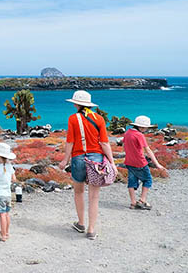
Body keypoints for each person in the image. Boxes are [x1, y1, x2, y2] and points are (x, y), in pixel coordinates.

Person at [58, 90, 117, 240]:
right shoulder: (99, 119)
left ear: (76, 104)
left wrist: (65, 160)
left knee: (78, 192)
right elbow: (104, 142)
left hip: (78, 158)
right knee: (94, 197)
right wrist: (112, 162)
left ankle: (81, 223)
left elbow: (70, 141)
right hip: (96, 159)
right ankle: (91, 229)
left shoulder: (73, 119)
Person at [123, 115, 167, 210]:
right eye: (146, 128)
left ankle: (133, 203)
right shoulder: (139, 135)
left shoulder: (127, 133)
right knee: (147, 180)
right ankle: (142, 200)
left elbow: (125, 146)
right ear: (141, 127)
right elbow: (148, 150)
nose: (146, 129)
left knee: (132, 182)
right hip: (140, 162)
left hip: (129, 162)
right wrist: (157, 164)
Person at [0, 142, 17, 242]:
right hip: (8, 194)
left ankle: (3, 235)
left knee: (2, 214)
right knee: (7, 213)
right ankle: (6, 232)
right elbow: (14, 179)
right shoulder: (10, 166)